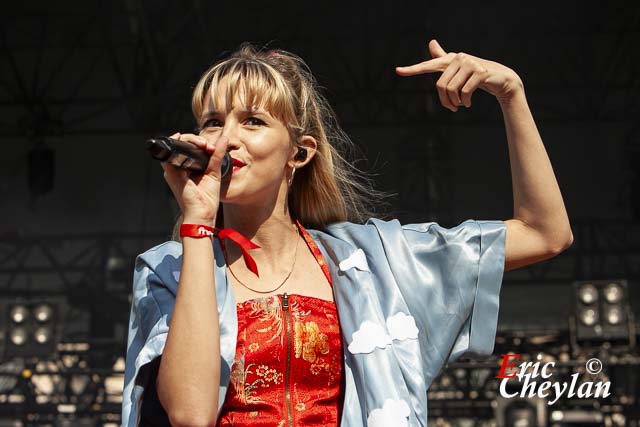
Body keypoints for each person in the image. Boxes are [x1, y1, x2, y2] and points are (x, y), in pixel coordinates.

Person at [122, 39, 573, 427]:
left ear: (299, 153)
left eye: (253, 121)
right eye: (214, 122)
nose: (227, 138)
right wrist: (196, 223)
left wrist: (511, 94)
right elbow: (190, 413)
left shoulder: (373, 261)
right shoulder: (172, 267)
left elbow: (544, 233)